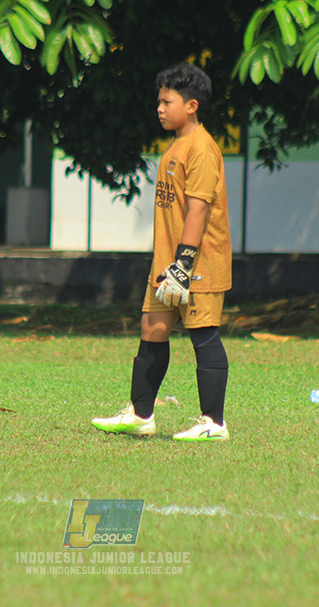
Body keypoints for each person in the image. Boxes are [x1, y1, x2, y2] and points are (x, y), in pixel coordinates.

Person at [91, 63, 232, 441]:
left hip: (196, 262)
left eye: (167, 101)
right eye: (159, 101)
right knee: (152, 329)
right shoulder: (176, 145)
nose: (159, 108)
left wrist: (184, 265)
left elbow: (199, 209)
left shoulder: (201, 148)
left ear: (191, 105)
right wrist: (170, 264)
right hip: (167, 263)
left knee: (203, 335)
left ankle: (213, 423)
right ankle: (140, 415)